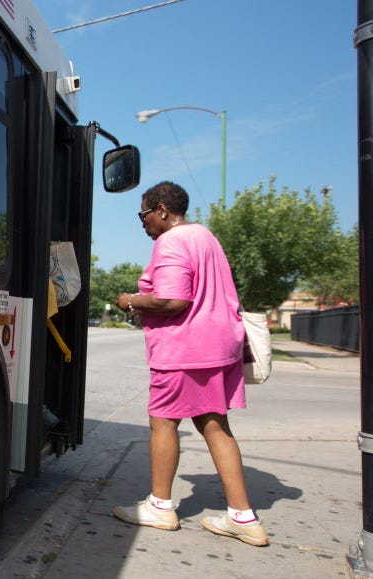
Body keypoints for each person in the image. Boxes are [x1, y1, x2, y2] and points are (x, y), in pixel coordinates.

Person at [111, 181, 268, 547]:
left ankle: (160, 506)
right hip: (219, 347)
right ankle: (243, 517)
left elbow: (172, 300)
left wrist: (130, 299)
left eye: (144, 213)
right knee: (215, 426)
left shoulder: (172, 241)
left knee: (163, 422)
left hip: (184, 349)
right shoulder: (206, 237)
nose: (143, 222)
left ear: (162, 210)